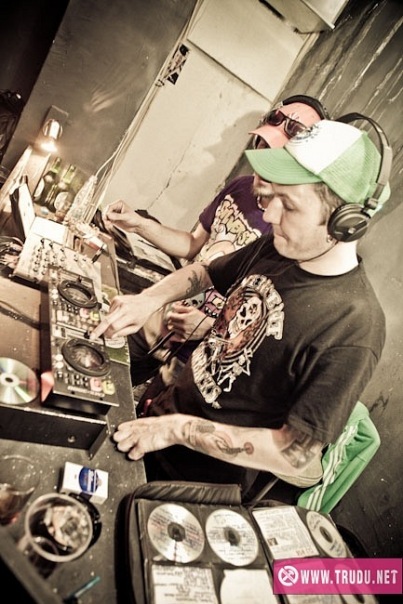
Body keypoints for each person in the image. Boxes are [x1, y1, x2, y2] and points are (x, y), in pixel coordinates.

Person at [90, 117, 392, 500]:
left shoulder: (354, 326)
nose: (269, 216)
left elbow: (296, 454)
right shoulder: (278, 247)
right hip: (156, 424)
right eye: (273, 197)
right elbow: (204, 271)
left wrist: (179, 430)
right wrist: (149, 299)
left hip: (196, 484)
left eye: (289, 205)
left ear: (345, 223)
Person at [102, 95, 329, 388]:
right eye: (263, 147)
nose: (262, 163)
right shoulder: (240, 188)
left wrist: (210, 327)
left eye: (277, 157)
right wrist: (139, 225)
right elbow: (195, 246)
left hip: (195, 359)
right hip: (159, 322)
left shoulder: (291, 234)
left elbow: (269, 328)